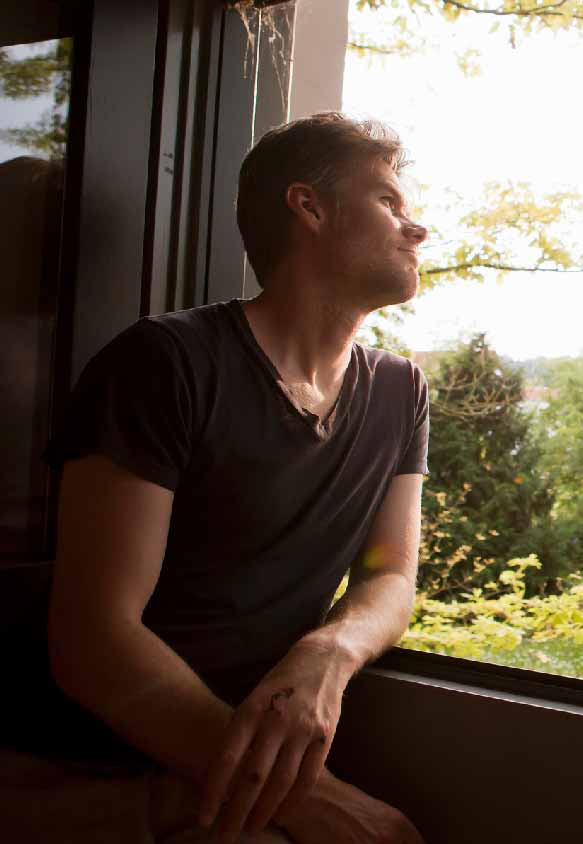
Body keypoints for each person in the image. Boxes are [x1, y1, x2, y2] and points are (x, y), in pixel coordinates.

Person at [0, 113, 432, 843]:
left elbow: (390, 576)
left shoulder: (400, 392)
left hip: (217, 765)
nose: (416, 227)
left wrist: (329, 650)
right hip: (83, 768)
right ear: (309, 206)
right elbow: (93, 641)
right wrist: (306, 798)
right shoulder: (165, 363)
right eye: (389, 201)